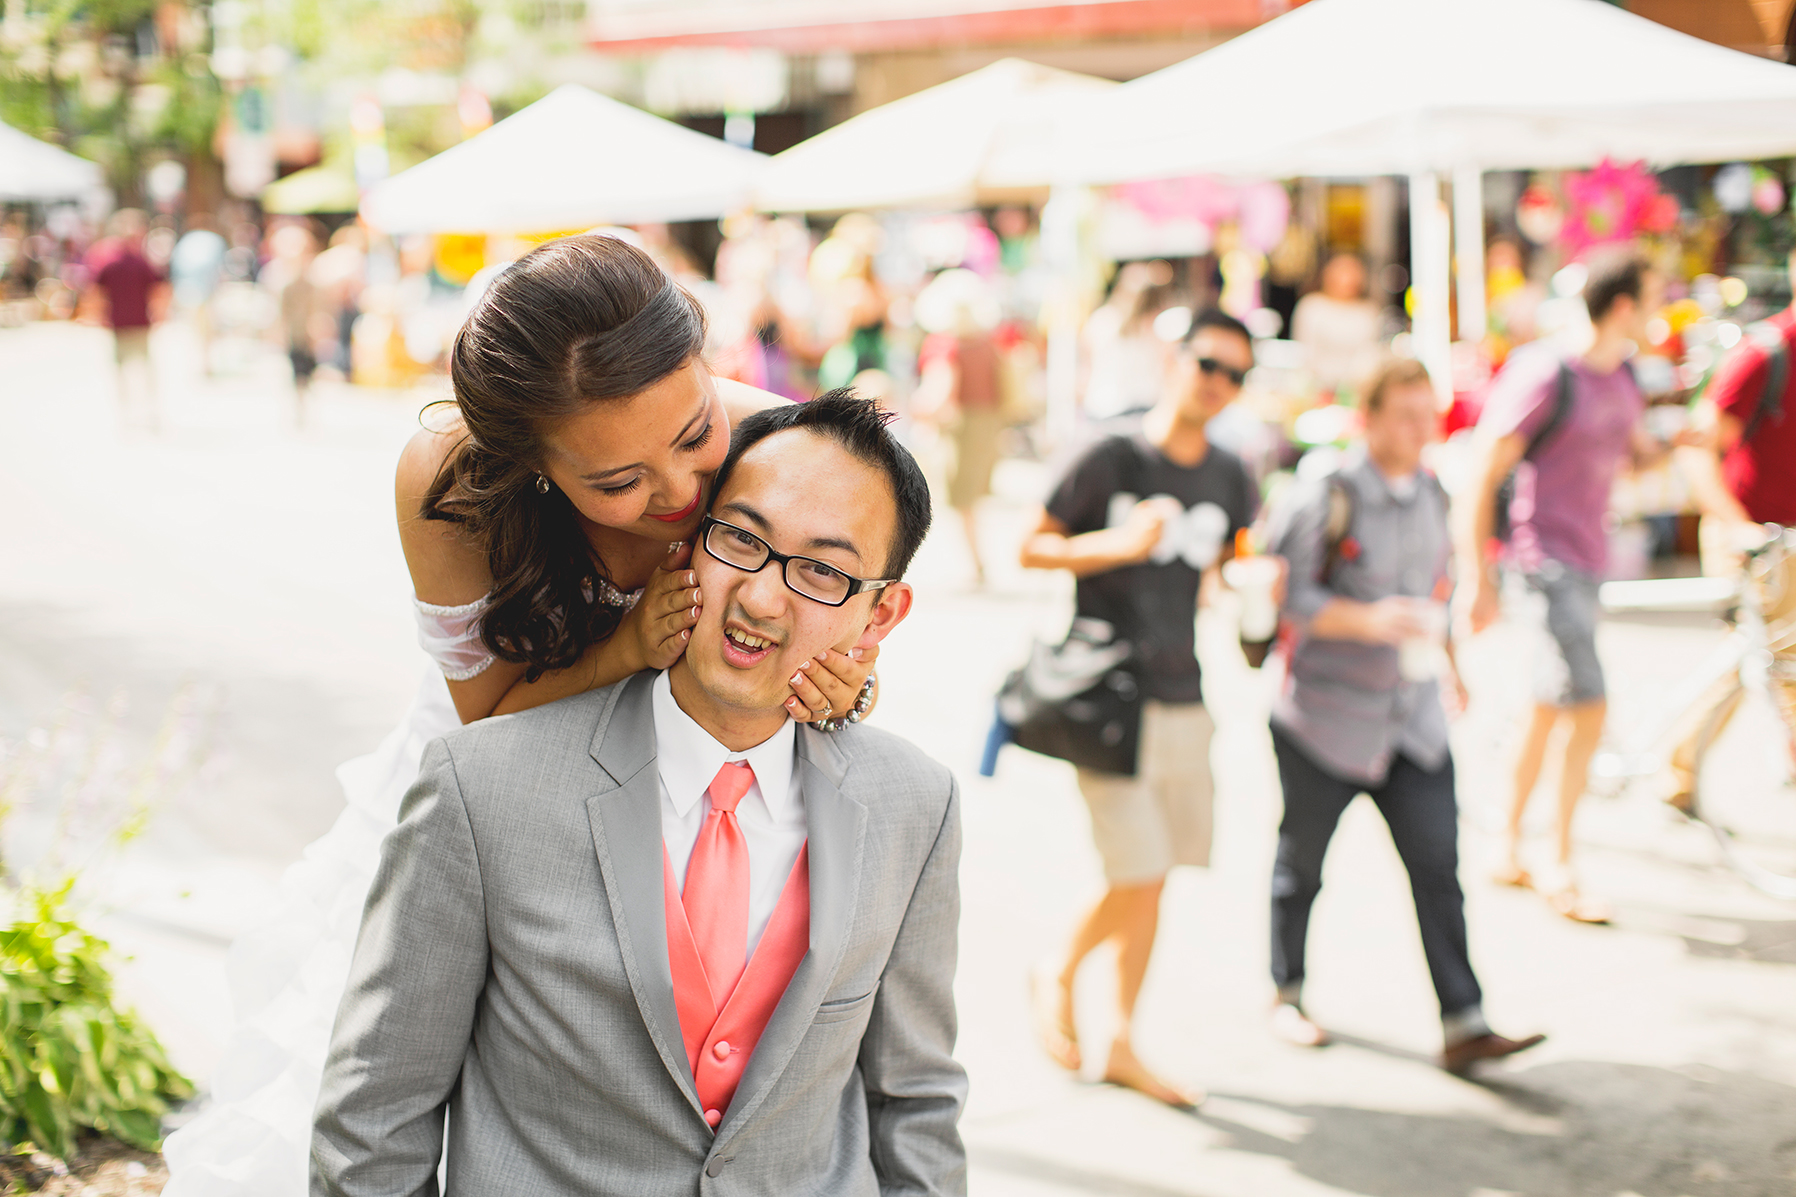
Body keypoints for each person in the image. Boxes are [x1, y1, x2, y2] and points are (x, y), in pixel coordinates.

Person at [161, 235, 877, 1197]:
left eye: (693, 431)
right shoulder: (450, 481)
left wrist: (843, 688)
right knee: (403, 1076)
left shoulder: (780, 449)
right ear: (531, 465)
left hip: (680, 809)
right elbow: (483, 727)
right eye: (617, 482)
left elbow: (835, 642)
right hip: (485, 792)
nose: (677, 493)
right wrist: (627, 651)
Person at [313, 392, 965, 1196]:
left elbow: (916, 1102)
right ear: (686, 543)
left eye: (824, 572)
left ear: (881, 616)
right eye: (741, 538)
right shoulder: (483, 791)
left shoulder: (916, 805)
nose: (762, 598)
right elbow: (374, 1125)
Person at [1264, 358, 1546, 1074]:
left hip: (1412, 720)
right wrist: (1365, 619)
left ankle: (1465, 1019)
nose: (1424, 430)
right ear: (1371, 416)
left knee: (1438, 868)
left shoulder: (1433, 492)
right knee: (1303, 865)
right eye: (1408, 415)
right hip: (1324, 718)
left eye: (1431, 414)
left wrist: (1451, 663)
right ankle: (1286, 990)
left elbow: (1437, 591)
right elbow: (1284, 598)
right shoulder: (1323, 494)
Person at [1019, 308, 1260, 1108]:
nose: (1217, 383)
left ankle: (1121, 1038)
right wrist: (1116, 546)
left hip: (1185, 695)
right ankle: (1057, 966)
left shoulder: (1231, 475)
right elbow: (1035, 544)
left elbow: (1231, 569)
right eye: (1207, 363)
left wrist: (1260, 592)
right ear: (1174, 360)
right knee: (1141, 866)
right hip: (1107, 696)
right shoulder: (1111, 453)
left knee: (1155, 880)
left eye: (1235, 373)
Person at [1456, 251, 1664, 924]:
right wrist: (1474, 578)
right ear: (1625, 304)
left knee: (1549, 703)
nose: (1664, 304)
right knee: (1588, 703)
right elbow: (1482, 470)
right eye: (1655, 293)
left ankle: (1508, 842)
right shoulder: (1546, 373)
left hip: (1590, 556)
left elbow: (1636, 450)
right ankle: (1560, 860)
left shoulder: (1624, 373)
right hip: (1541, 560)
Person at [1668, 246, 1796, 805]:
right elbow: (1697, 453)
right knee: (1758, 660)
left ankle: (1679, 770)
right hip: (1751, 534)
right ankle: (1678, 769)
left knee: (1772, 665)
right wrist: (1737, 525)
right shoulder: (1763, 354)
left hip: (1785, 536)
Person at [914, 268, 1007, 586]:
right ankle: (975, 562)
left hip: (960, 429)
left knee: (958, 499)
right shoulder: (986, 344)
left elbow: (939, 392)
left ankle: (973, 565)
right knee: (971, 500)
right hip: (988, 426)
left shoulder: (945, 345)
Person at [88, 208, 163, 431]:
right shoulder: (140, 263)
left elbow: (96, 293)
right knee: (140, 368)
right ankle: (141, 412)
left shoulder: (115, 263)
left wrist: (99, 315)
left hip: (123, 323)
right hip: (134, 322)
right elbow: (160, 290)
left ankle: (134, 412)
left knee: (127, 369)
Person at [1080, 260, 1173, 421]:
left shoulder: (1102, 319)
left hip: (1105, 406)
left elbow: (1086, 360)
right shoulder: (1156, 327)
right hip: (1132, 408)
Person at [1291, 253, 1382, 398]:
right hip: (1317, 390)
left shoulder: (1369, 312)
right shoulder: (1312, 307)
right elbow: (1306, 352)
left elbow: (1369, 356)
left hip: (1355, 390)